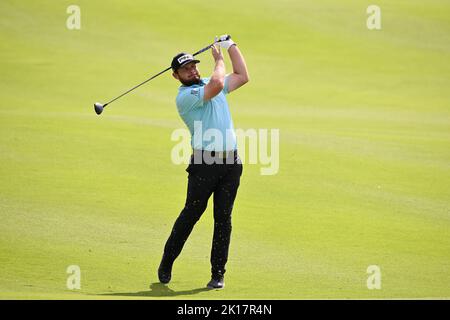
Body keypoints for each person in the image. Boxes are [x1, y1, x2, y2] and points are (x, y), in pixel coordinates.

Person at [158, 35, 249, 289]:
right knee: (191, 214)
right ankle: (168, 260)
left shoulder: (209, 82)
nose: (192, 70)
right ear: (176, 75)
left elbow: (242, 75)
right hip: (204, 165)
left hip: (231, 164)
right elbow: (218, 83)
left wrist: (231, 46)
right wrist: (219, 59)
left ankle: (218, 274)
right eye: (186, 69)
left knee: (224, 219)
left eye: (193, 66)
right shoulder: (187, 96)